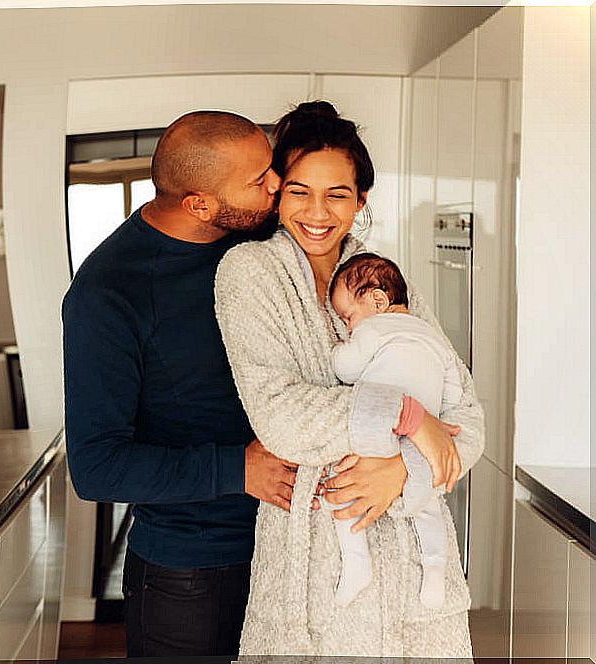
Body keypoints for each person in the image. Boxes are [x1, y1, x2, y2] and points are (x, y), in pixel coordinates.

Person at [214, 101, 484, 657]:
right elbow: (281, 416)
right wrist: (412, 422)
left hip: (415, 568)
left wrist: (400, 471)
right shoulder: (248, 274)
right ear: (276, 193)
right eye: (299, 191)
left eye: (338, 193)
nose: (318, 211)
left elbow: (466, 419)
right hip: (313, 562)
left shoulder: (384, 281)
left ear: (361, 200)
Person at [62, 110, 296, 657]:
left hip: (289, 549)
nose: (276, 185)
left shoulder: (252, 239)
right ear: (199, 204)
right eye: (258, 180)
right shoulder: (106, 295)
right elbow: (96, 467)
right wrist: (238, 468)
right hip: (191, 576)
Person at [327, 252, 463, 609]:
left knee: (340, 482)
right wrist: (440, 419)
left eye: (348, 317)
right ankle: (436, 569)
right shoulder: (433, 336)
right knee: (427, 504)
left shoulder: (373, 328)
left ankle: (356, 563)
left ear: (378, 300)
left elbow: (349, 369)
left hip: (381, 423)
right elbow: (454, 390)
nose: (349, 326)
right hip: (423, 438)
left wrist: (338, 351)